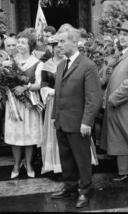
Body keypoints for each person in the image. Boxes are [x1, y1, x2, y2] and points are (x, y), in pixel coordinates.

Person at [50, 27, 102, 208]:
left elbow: (94, 98)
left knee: (82, 159)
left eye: (62, 41)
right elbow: (58, 93)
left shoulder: (88, 65)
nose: (59, 45)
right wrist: (54, 117)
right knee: (65, 157)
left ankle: (85, 190)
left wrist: (87, 121)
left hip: (79, 123)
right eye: (58, 42)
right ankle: (70, 186)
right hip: (62, 122)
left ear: (74, 42)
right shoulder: (61, 65)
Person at [101, 21, 128, 182]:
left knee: (124, 136)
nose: (122, 37)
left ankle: (127, 172)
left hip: (125, 105)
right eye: (121, 34)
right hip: (120, 105)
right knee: (120, 136)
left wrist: (113, 98)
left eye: (126, 34)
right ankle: (124, 170)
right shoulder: (125, 54)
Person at [4, 31, 44, 179]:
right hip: (14, 104)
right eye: (18, 42)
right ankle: (16, 164)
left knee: (28, 136)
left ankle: (28, 164)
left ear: (30, 46)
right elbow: (4, 82)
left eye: (22, 43)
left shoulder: (38, 63)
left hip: (29, 105)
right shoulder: (9, 61)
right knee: (15, 135)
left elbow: (40, 84)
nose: (19, 45)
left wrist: (25, 87)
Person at [40, 35, 65, 179]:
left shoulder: (70, 62)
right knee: (54, 134)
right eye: (57, 46)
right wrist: (54, 92)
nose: (60, 48)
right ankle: (56, 167)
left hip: (70, 103)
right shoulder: (46, 65)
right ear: (52, 48)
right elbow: (43, 86)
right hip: (53, 104)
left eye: (62, 45)